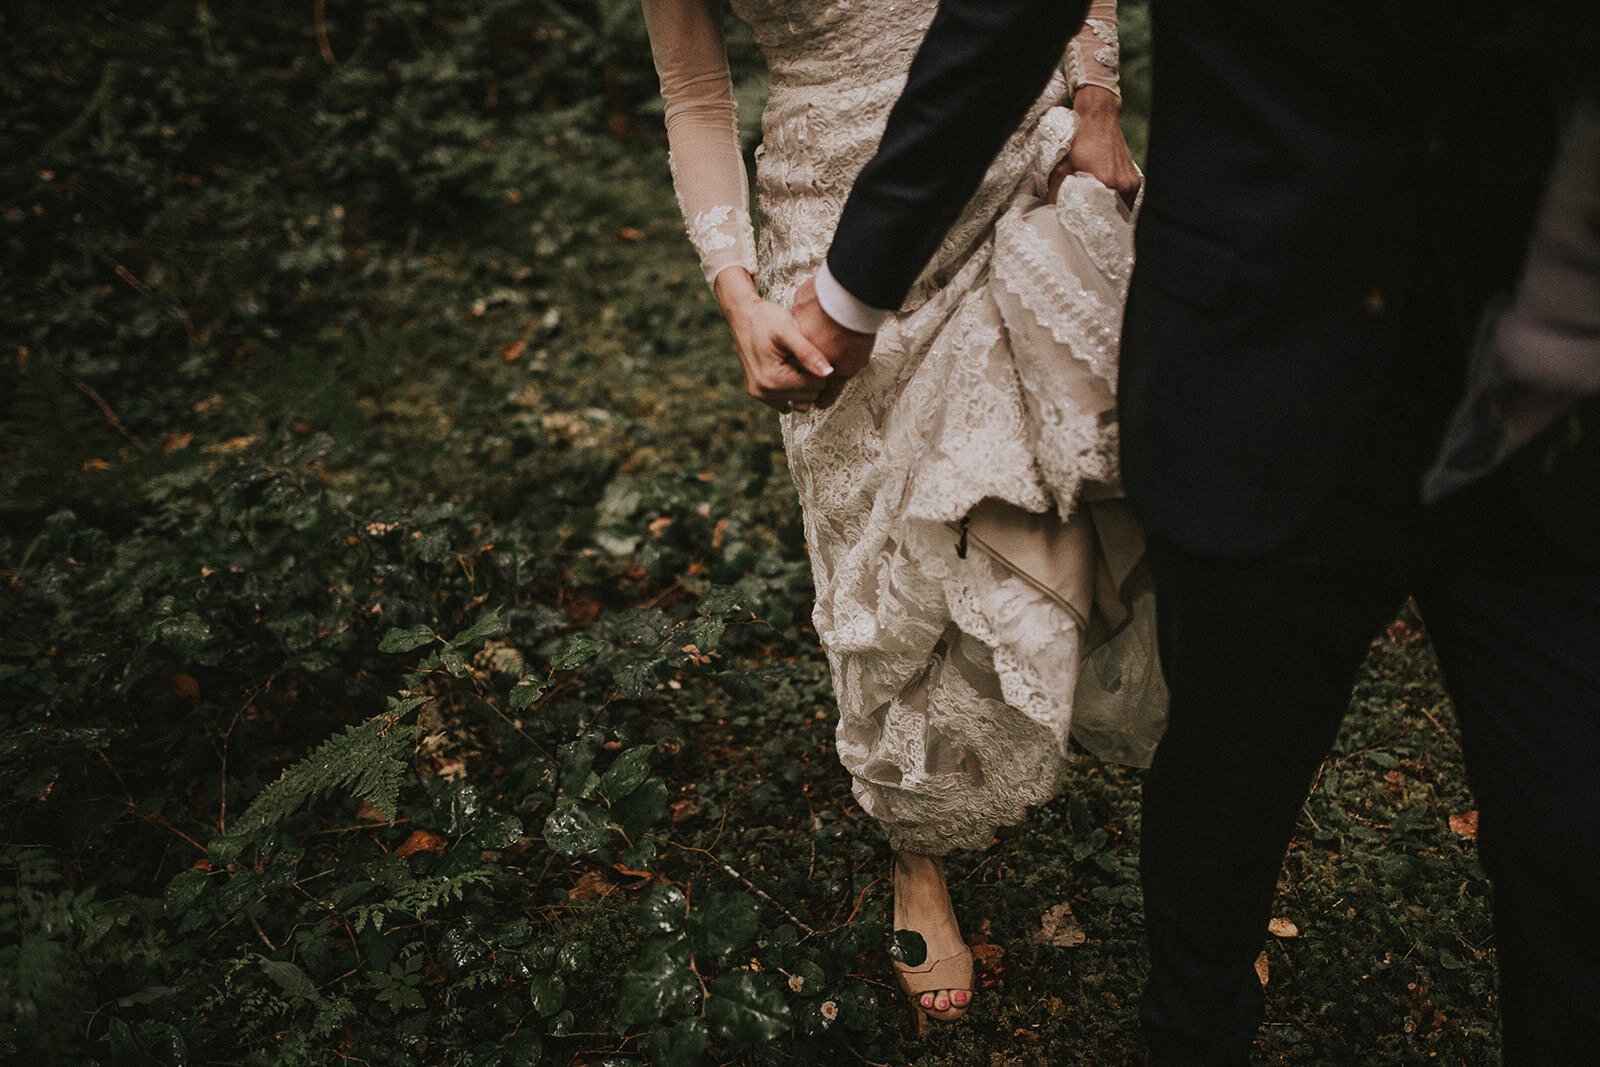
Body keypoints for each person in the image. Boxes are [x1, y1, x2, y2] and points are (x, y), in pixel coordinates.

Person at [797, 0, 1600, 1060]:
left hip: (1546, 395)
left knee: (1574, 838)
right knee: (1226, 801)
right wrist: (854, 290)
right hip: (1269, 361)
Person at [642, 0, 1167, 1026]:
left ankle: (1195, 864)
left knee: (1074, 482)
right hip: (824, 221)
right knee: (871, 535)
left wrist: (1096, 100)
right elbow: (697, 95)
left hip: (1012, 166)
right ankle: (915, 853)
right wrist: (736, 291)